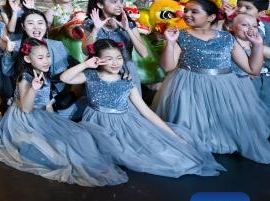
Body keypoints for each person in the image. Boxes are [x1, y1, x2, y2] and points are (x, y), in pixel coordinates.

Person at [0, 39, 128, 187]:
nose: (46, 60)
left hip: (40, 116)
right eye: (40, 58)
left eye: (48, 56)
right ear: (28, 59)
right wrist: (33, 89)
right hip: (22, 121)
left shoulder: (43, 73)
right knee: (55, 156)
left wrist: (55, 125)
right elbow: (26, 108)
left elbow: (46, 103)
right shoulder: (25, 78)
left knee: (78, 136)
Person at [61, 40, 223, 177]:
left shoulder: (126, 82)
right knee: (103, 153)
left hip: (124, 124)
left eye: (119, 58)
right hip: (97, 123)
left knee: (153, 152)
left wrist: (173, 135)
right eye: (109, 59)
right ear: (97, 59)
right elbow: (65, 78)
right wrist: (86, 64)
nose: (115, 62)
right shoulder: (90, 76)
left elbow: (145, 111)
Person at [154, 0, 270, 163]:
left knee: (221, 118)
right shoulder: (181, 35)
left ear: (211, 17)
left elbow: (252, 69)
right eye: (186, 11)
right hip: (189, 83)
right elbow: (168, 66)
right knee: (192, 120)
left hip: (222, 85)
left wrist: (257, 45)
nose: (187, 14)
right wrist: (170, 43)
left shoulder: (226, 38)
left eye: (194, 11)